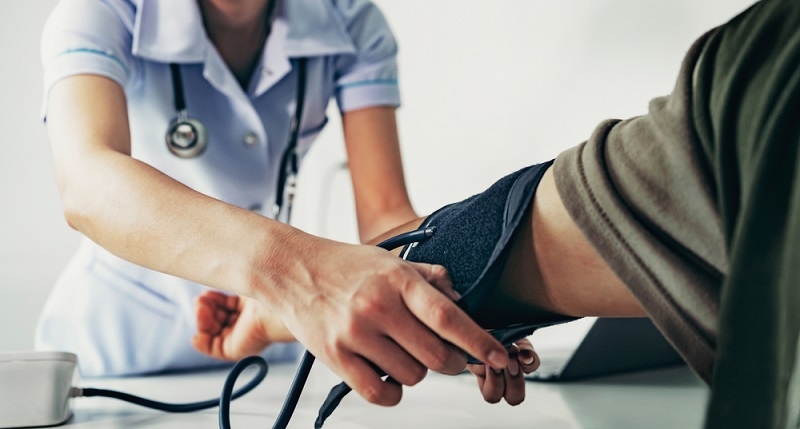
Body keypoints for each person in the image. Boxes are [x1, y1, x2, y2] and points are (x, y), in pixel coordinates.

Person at [194, 0, 800, 426]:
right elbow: (93, 179)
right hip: (129, 343)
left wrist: (286, 307)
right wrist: (288, 283)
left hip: (276, 334)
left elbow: (410, 234)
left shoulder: (764, 77)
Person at [34, 0, 513, 398]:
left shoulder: (349, 19)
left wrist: (470, 287)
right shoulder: (102, 11)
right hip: (113, 358)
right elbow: (87, 183)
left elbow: (387, 217)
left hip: (264, 348)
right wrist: (291, 271)